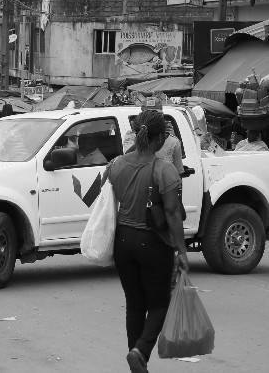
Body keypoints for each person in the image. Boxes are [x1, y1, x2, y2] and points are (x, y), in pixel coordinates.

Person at [105, 110, 189, 373]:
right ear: (161, 138)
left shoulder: (116, 164)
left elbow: (103, 193)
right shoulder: (164, 170)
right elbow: (173, 214)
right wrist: (182, 251)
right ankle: (140, 351)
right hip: (152, 243)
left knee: (135, 304)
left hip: (123, 242)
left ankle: (135, 359)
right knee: (159, 303)